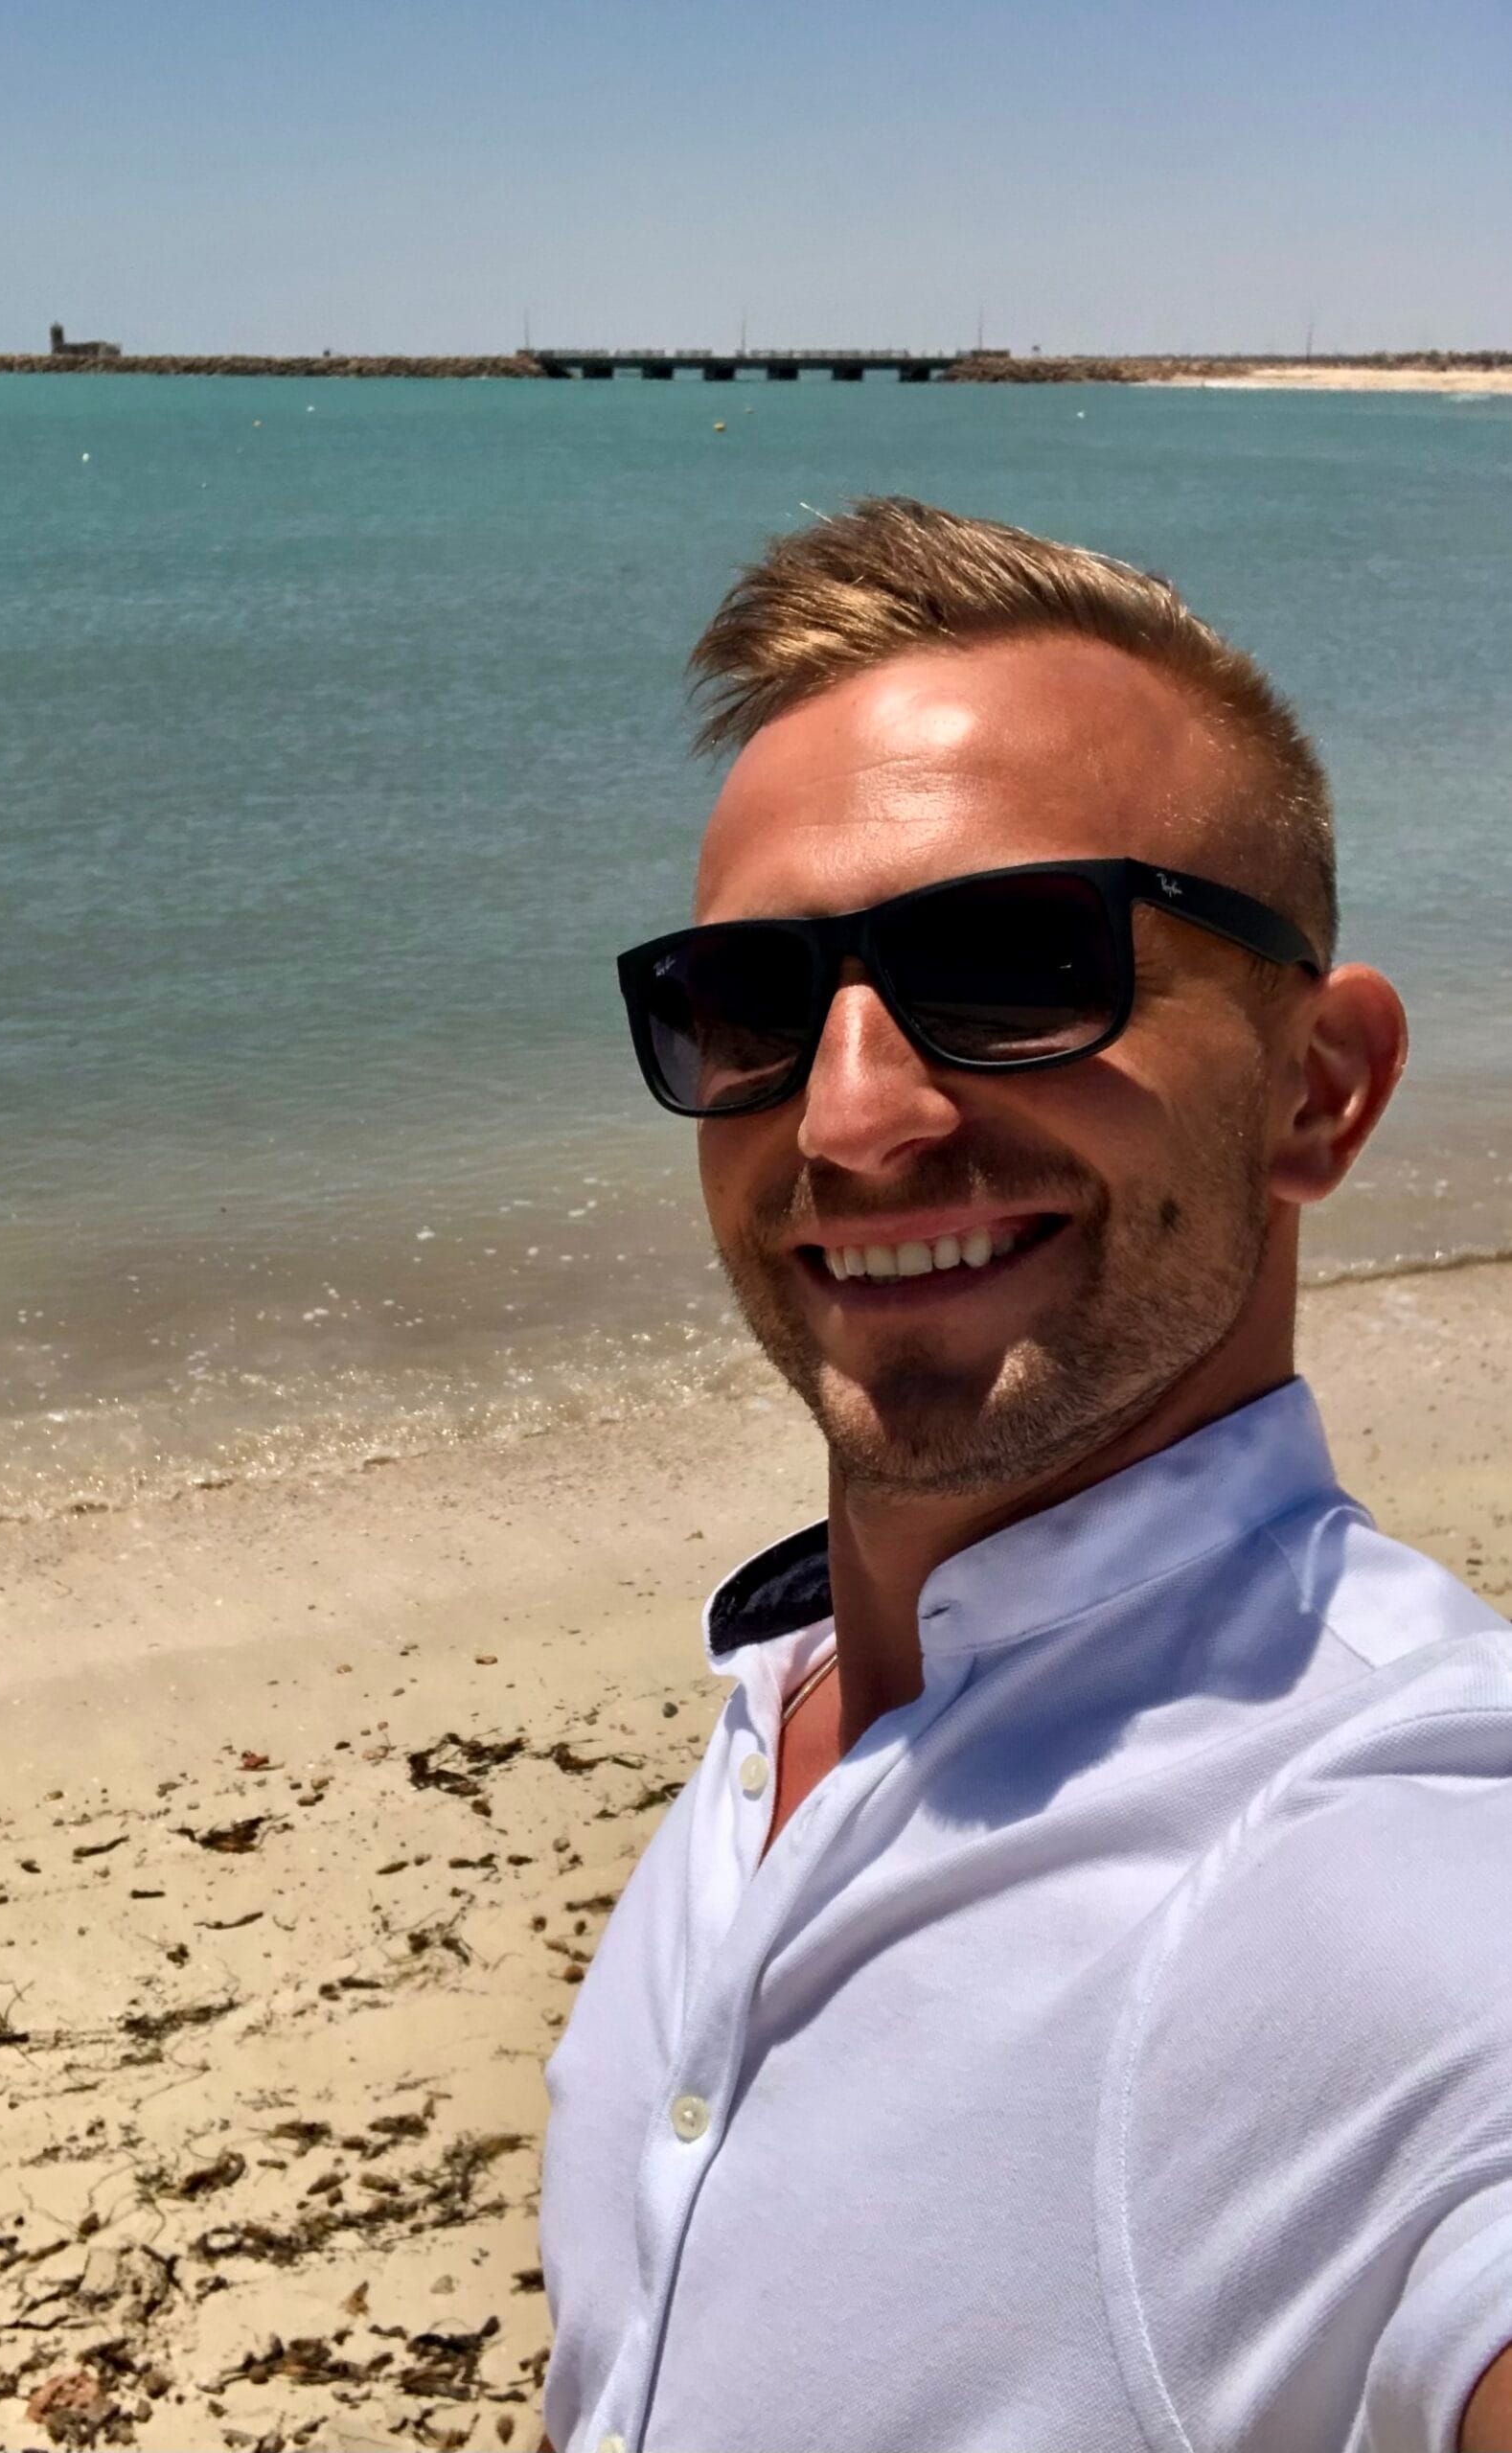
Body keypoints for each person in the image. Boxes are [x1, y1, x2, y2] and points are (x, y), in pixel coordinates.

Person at [538, 499, 1512, 2453]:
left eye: (1006, 964)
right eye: (749, 1003)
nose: (848, 1114)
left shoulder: (1373, 1862)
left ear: (1316, 1087)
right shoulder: (785, 1705)